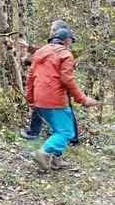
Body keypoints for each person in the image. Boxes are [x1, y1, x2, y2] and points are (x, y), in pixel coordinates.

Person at [26, 28, 100, 170]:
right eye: (71, 41)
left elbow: (30, 78)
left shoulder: (39, 53)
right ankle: (44, 152)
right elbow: (67, 80)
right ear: (66, 40)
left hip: (39, 99)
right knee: (66, 132)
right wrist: (83, 99)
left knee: (57, 129)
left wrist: (31, 100)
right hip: (55, 100)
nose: (71, 44)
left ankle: (56, 160)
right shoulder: (65, 54)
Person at [20, 20, 81, 143]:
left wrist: (29, 57)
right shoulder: (59, 44)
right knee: (63, 108)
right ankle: (71, 137)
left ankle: (35, 132)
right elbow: (43, 52)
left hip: (57, 84)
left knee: (43, 105)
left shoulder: (64, 48)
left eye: (53, 29)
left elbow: (46, 56)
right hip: (56, 83)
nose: (51, 31)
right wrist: (28, 49)